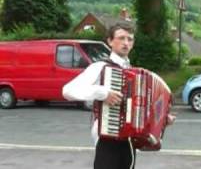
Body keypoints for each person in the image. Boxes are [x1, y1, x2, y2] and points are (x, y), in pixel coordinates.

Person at [63, 22, 175, 169]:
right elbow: (68, 91)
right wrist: (103, 93)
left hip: (129, 141)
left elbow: (141, 109)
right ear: (110, 41)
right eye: (121, 38)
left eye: (130, 39)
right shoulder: (101, 67)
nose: (126, 43)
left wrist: (161, 120)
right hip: (107, 140)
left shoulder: (134, 72)